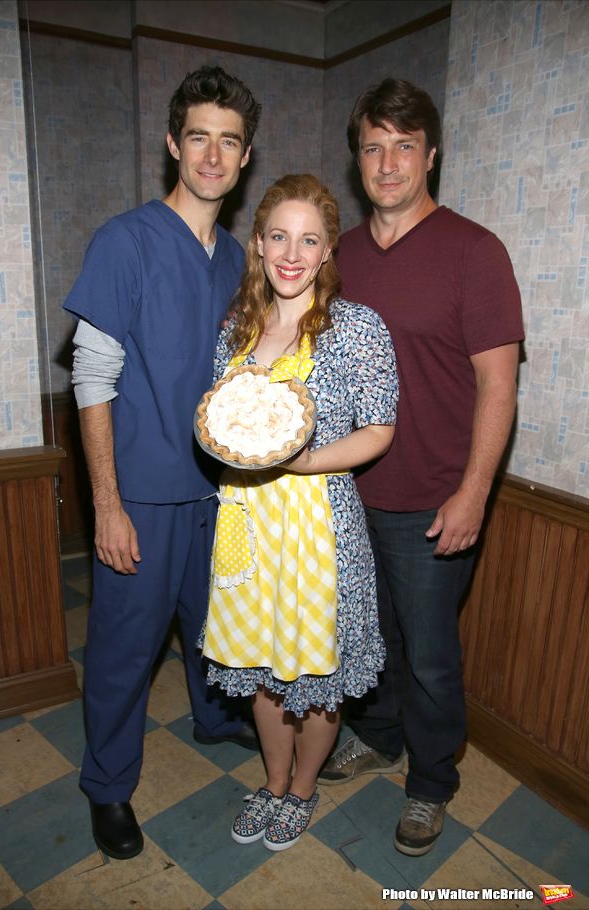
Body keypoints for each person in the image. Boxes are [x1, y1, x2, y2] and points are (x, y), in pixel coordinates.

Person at [318, 78, 525, 857]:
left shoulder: (475, 252)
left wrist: (474, 492)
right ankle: (377, 735)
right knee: (368, 637)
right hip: (346, 491)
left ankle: (432, 781)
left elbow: (498, 386)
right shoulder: (339, 255)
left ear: (431, 154)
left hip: (434, 498)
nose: (388, 163)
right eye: (373, 147)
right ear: (357, 158)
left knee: (432, 656)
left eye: (404, 146)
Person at [63, 65, 261, 860]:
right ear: (174, 144)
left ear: (245, 157)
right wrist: (107, 505)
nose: (213, 155)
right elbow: (91, 376)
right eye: (199, 137)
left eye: (229, 141)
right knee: (124, 651)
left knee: (215, 628)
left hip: (218, 492)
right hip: (141, 494)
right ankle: (107, 785)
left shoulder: (237, 257)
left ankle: (215, 718)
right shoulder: (126, 241)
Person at [200, 174, 399, 851]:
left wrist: (306, 461)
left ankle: (303, 788)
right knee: (259, 664)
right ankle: (273, 779)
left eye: (309, 240)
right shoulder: (237, 330)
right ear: (258, 243)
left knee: (315, 673)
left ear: (328, 250)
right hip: (248, 522)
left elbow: (379, 429)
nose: (292, 254)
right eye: (279, 237)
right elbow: (222, 421)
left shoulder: (356, 328)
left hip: (321, 525)